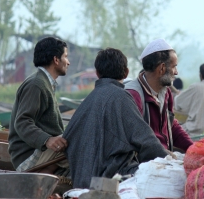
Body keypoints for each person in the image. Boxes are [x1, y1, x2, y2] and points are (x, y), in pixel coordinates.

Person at [64, 48, 168, 188]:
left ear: (97, 73)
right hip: (110, 181)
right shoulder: (121, 97)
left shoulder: (87, 101)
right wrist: (168, 161)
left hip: (81, 180)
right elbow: (146, 140)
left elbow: (68, 139)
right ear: (126, 72)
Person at [8, 37, 70, 174]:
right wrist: (47, 140)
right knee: (79, 151)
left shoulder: (44, 82)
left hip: (40, 151)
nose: (68, 62)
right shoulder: (36, 84)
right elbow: (22, 122)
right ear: (56, 60)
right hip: (29, 155)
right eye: (65, 57)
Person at [125, 39, 193, 152]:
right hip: (144, 165)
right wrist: (168, 156)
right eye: (174, 66)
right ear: (161, 68)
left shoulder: (165, 93)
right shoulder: (133, 95)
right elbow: (136, 139)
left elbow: (171, 126)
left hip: (163, 160)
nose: (176, 72)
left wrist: (193, 148)